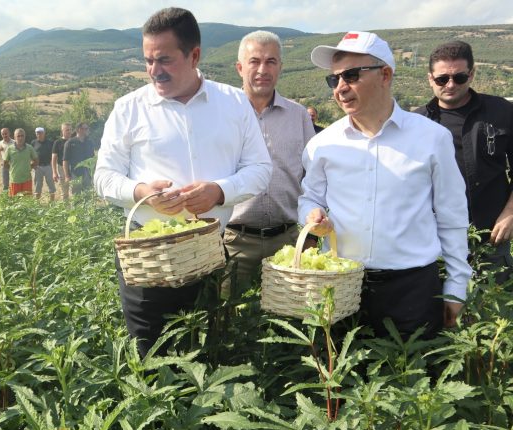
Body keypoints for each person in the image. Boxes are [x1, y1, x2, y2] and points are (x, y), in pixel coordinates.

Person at [94, 7, 272, 358]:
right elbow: (103, 177)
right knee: (149, 353)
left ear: (194, 55)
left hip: (208, 251)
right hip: (148, 260)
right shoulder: (128, 108)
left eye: (164, 60)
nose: (154, 71)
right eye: (148, 60)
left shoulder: (234, 103)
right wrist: (142, 194)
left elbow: (260, 168)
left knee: (206, 349)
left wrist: (218, 192)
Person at [300, 31, 471, 338]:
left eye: (351, 75)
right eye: (334, 79)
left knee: (415, 383)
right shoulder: (322, 144)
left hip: (413, 291)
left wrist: (457, 286)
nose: (340, 88)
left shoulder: (432, 139)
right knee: (342, 381)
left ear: (386, 74)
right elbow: (309, 196)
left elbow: (452, 214)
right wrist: (311, 215)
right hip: (340, 287)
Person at [224, 30, 316, 297]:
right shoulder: (223, 115)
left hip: (287, 241)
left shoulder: (298, 116)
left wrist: (310, 235)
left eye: (271, 61)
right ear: (240, 67)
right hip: (234, 242)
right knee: (231, 322)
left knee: (288, 321)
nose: (263, 69)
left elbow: (312, 177)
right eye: (254, 61)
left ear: (281, 68)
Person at [414, 41, 513, 282]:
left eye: (459, 77)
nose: (450, 85)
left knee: (493, 313)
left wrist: (511, 213)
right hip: (434, 240)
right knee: (441, 314)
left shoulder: (502, 112)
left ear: (471, 74)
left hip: (491, 236)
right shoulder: (416, 124)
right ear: (430, 78)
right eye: (442, 79)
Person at [3, 128, 37, 196]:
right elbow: (5, 163)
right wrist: (12, 169)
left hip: (27, 180)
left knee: (27, 202)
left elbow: (36, 160)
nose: (20, 138)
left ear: (25, 136)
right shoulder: (10, 149)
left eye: (22, 136)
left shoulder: (29, 148)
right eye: (18, 136)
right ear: (14, 137)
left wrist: (29, 167)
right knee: (15, 202)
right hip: (14, 180)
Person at [63, 122, 94, 194]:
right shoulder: (70, 142)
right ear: (79, 129)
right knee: (76, 196)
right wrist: (67, 176)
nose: (87, 130)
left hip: (87, 173)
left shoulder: (90, 142)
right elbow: (65, 160)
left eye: (87, 128)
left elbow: (92, 159)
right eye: (85, 129)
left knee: (88, 195)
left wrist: (93, 172)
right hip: (75, 173)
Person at [32, 126, 56, 200]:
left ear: (44, 133)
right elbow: (31, 154)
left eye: (41, 133)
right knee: (38, 186)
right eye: (37, 133)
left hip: (48, 166)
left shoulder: (50, 142)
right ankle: (37, 203)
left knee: (51, 185)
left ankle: (52, 202)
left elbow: (54, 154)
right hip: (38, 167)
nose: (39, 134)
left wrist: (52, 165)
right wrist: (33, 164)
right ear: (36, 134)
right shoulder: (33, 142)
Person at [51, 122, 72, 201]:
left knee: (75, 191)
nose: (69, 131)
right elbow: (53, 158)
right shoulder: (57, 142)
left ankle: (75, 211)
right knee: (64, 192)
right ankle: (66, 211)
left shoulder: (74, 141)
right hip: (61, 169)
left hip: (73, 168)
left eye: (70, 130)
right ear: (62, 131)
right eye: (67, 130)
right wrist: (54, 172)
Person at [0, 128, 14, 192]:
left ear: (9, 133)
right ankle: (6, 198)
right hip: (4, 166)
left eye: (6, 133)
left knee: (15, 182)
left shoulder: (15, 143)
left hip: (13, 165)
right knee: (5, 184)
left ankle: (15, 197)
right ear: (1, 135)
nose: (5, 135)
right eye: (3, 134)